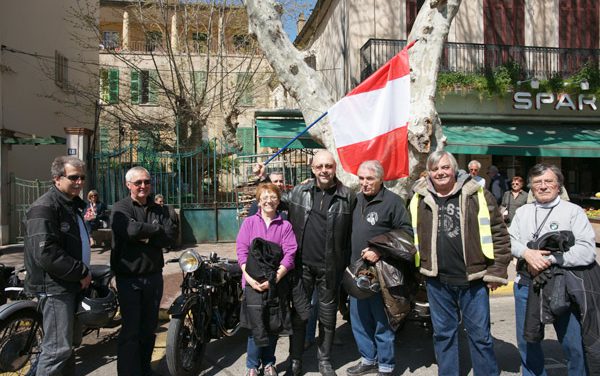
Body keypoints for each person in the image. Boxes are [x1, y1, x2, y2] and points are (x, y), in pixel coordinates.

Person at [410, 150, 511, 376]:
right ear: (429, 173)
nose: (440, 173)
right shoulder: (419, 197)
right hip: (437, 281)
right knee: (443, 335)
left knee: (480, 337)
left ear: (454, 169)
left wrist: (497, 270)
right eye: (435, 169)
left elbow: (499, 233)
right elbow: (413, 234)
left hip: (473, 280)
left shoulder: (477, 194)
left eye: (445, 167)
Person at [255, 150, 355, 376]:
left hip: (330, 268)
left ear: (334, 168)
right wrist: (263, 179)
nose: (324, 171)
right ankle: (296, 360)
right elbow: (273, 198)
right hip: (302, 267)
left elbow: (352, 232)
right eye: (319, 166)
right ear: (312, 168)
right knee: (299, 315)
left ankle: (325, 361)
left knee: (328, 318)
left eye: (328, 166)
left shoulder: (348, 196)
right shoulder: (299, 192)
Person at [509, 163, 596, 376]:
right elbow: (509, 241)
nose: (543, 186)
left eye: (549, 181)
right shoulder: (522, 212)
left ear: (559, 186)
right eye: (538, 182)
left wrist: (552, 259)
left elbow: (587, 251)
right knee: (528, 344)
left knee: (573, 344)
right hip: (526, 286)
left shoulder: (573, 212)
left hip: (563, 285)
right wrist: (527, 253)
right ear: (531, 186)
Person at [24, 156, 92, 376]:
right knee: (56, 350)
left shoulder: (70, 205)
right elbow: (46, 253)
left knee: (67, 349)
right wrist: (80, 271)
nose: (80, 182)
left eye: (82, 177)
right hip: (54, 288)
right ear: (57, 179)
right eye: (73, 177)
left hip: (68, 285)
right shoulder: (45, 207)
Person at [346, 160, 413, 376]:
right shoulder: (355, 201)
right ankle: (368, 359)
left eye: (370, 179)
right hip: (356, 272)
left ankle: (385, 364)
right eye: (361, 178)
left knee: (382, 320)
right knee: (358, 320)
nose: (364, 183)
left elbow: (407, 235)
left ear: (381, 179)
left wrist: (380, 250)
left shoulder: (393, 202)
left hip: (382, 274)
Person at [111, 166, 176, 376]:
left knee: (149, 329)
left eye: (146, 182)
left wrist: (145, 233)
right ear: (128, 185)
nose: (143, 186)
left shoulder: (160, 210)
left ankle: (144, 369)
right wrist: (155, 231)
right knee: (131, 331)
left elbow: (169, 236)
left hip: (154, 276)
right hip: (129, 279)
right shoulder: (121, 208)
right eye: (138, 182)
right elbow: (129, 230)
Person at [236, 183, 298, 376]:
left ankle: (269, 363)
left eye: (273, 197)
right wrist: (249, 278)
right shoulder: (249, 223)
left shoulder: (285, 226)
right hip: (252, 284)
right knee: (257, 327)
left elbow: (290, 254)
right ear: (259, 201)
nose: (269, 200)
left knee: (273, 326)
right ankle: (252, 366)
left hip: (276, 283)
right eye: (265, 197)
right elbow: (241, 251)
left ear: (278, 201)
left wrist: (275, 279)